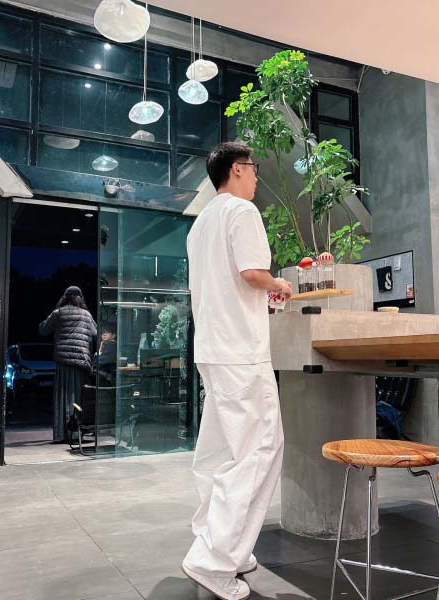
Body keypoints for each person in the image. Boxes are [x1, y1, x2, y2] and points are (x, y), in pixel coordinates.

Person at [182, 142, 293, 600]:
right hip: (241, 351)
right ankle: (215, 559)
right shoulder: (242, 212)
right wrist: (279, 282)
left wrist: (262, 292)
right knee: (259, 450)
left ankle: (224, 544)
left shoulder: (200, 224)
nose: (257, 177)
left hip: (212, 348)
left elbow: (227, 284)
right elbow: (252, 273)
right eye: (253, 168)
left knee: (218, 451)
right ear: (237, 169)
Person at [39, 286, 97, 443]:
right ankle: (76, 433)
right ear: (80, 298)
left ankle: (62, 434)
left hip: (63, 362)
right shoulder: (86, 314)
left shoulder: (59, 313)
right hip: (81, 362)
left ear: (65, 297)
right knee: (79, 397)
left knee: (62, 397)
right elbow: (95, 333)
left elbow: (43, 329)